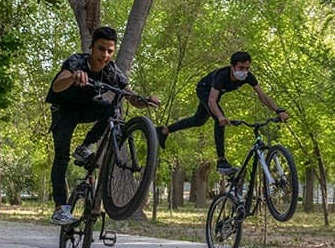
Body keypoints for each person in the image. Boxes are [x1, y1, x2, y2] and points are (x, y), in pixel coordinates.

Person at [45, 26, 158, 225]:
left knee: (111, 108)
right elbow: (57, 84)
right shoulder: (77, 62)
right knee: (61, 157)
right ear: (92, 48)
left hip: (86, 107)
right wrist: (74, 77)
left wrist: (145, 100)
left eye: (109, 51)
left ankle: (85, 148)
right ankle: (60, 208)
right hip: (64, 110)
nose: (104, 55)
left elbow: (129, 95)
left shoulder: (112, 71)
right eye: (101, 49)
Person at [159, 51, 289, 174]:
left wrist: (278, 110)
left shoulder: (248, 77)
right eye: (241, 68)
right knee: (218, 121)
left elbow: (262, 96)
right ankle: (221, 161)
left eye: (247, 68)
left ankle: (164, 131)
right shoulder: (221, 76)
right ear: (232, 66)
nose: (244, 72)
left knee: (198, 120)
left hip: (216, 94)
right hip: (204, 89)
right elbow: (211, 101)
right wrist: (220, 117)